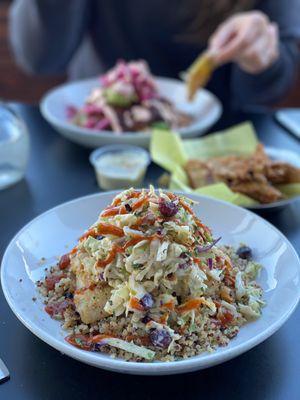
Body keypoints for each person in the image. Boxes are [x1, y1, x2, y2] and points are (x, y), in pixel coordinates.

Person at [9, 0, 300, 109]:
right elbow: (39, 58)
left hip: (218, 155)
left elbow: (270, 88)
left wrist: (262, 59)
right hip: (93, 145)